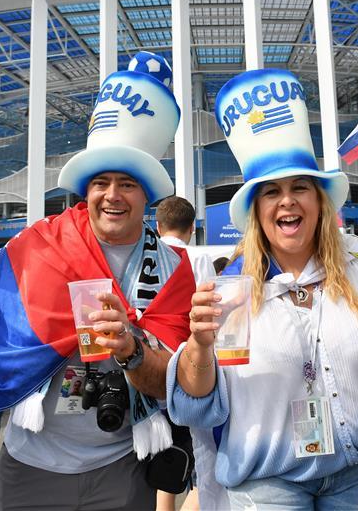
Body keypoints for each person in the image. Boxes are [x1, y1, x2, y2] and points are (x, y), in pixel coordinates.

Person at [0, 51, 193, 510]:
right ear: (86, 191)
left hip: (123, 464)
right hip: (29, 464)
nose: (112, 195)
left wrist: (131, 345)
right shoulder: (39, 243)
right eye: (101, 182)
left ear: (147, 193)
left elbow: (169, 381)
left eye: (127, 183)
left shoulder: (172, 270)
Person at [167, 68, 358, 509]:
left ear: (319, 201)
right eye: (271, 192)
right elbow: (196, 409)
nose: (287, 200)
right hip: (267, 482)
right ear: (257, 210)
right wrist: (198, 347)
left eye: (301, 187)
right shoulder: (230, 291)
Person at [155, 196, 222, 511]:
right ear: (193, 228)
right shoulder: (198, 258)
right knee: (197, 449)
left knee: (164, 448)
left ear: (157, 226)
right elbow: (212, 311)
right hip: (188, 364)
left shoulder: (145, 257)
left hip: (151, 362)